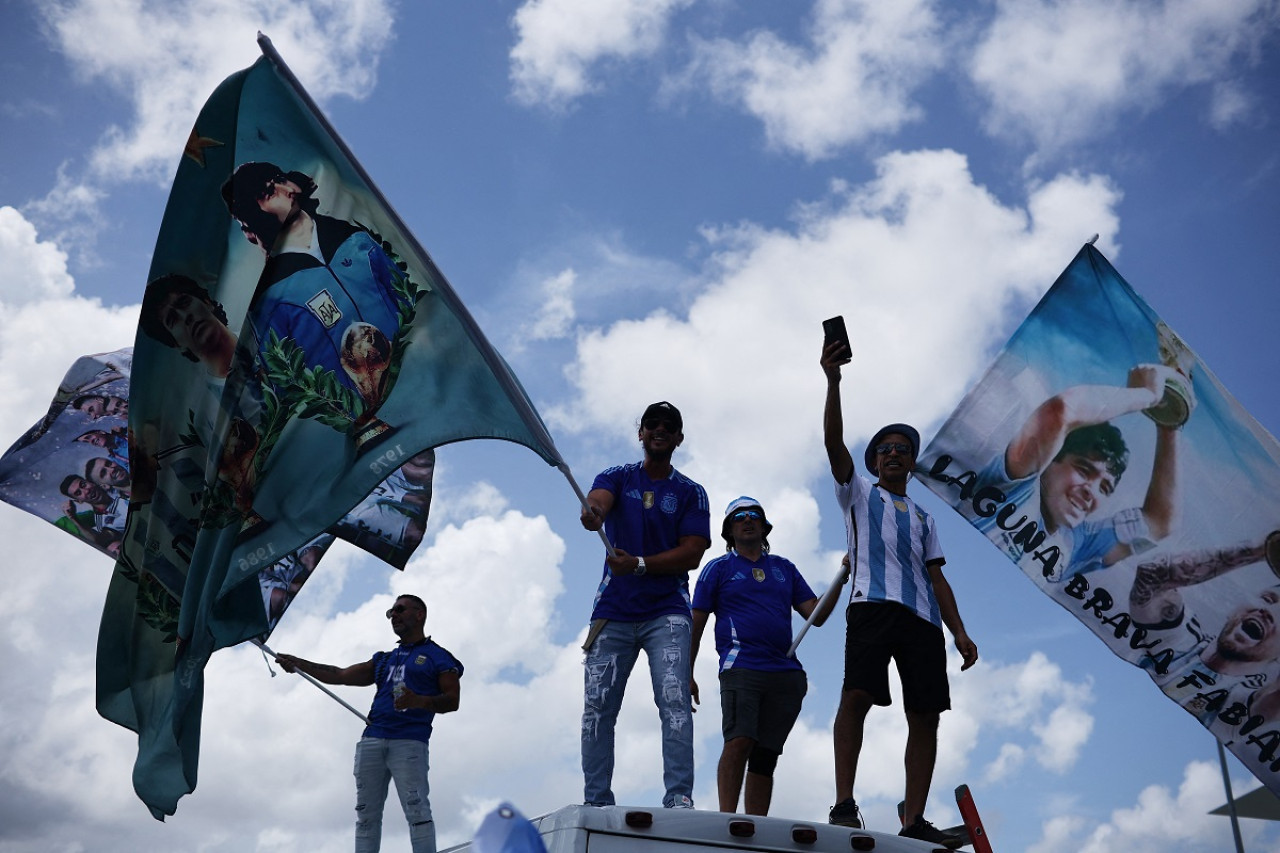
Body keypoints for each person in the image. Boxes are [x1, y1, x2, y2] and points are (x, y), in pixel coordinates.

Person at [820, 339, 978, 846]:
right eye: (885, 449)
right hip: (872, 605)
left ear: (911, 464)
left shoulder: (926, 518)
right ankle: (844, 803)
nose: (893, 454)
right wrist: (834, 380)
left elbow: (938, 577)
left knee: (926, 715)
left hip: (924, 622)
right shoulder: (858, 493)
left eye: (902, 450)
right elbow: (833, 444)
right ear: (874, 462)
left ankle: (913, 819)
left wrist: (959, 631)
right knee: (858, 695)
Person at [927, 364, 1181, 583]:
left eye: (1104, 487)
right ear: (1051, 460)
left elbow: (1159, 523)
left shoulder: (1077, 545)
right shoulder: (1015, 484)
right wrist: (1147, 395)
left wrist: (1169, 423)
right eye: (1084, 470)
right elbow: (1061, 411)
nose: (1090, 491)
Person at [578, 401, 711, 809]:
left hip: (667, 612)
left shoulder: (691, 492)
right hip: (613, 611)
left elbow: (692, 554)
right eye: (652, 423)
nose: (659, 430)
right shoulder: (616, 476)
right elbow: (598, 501)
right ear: (641, 433)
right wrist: (593, 512)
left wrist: (637, 565)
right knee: (598, 707)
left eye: (668, 426)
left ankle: (679, 797)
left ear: (678, 438)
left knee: (673, 700)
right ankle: (597, 801)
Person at [275, 594, 462, 853]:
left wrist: (419, 700)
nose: (393, 615)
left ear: (420, 615)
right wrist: (299, 664)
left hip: (410, 741)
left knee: (417, 811)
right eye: (390, 612)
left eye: (400, 609)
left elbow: (452, 701)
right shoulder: (383, 660)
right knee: (366, 816)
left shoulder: (438, 657)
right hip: (371, 740)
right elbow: (339, 675)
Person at [690, 497, 842, 815]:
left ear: (764, 525)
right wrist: (685, 672)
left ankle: (755, 825)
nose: (747, 520)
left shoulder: (784, 569)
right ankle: (727, 818)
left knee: (767, 753)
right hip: (742, 666)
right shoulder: (717, 569)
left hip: (786, 672)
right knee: (740, 740)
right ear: (729, 529)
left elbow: (816, 615)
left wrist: (842, 577)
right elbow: (697, 621)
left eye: (754, 516)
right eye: (739, 517)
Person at [138, 274, 238, 379]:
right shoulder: (208, 394)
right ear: (176, 344)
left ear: (207, 302)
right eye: (172, 320)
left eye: (184, 302)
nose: (185, 316)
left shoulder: (254, 326)